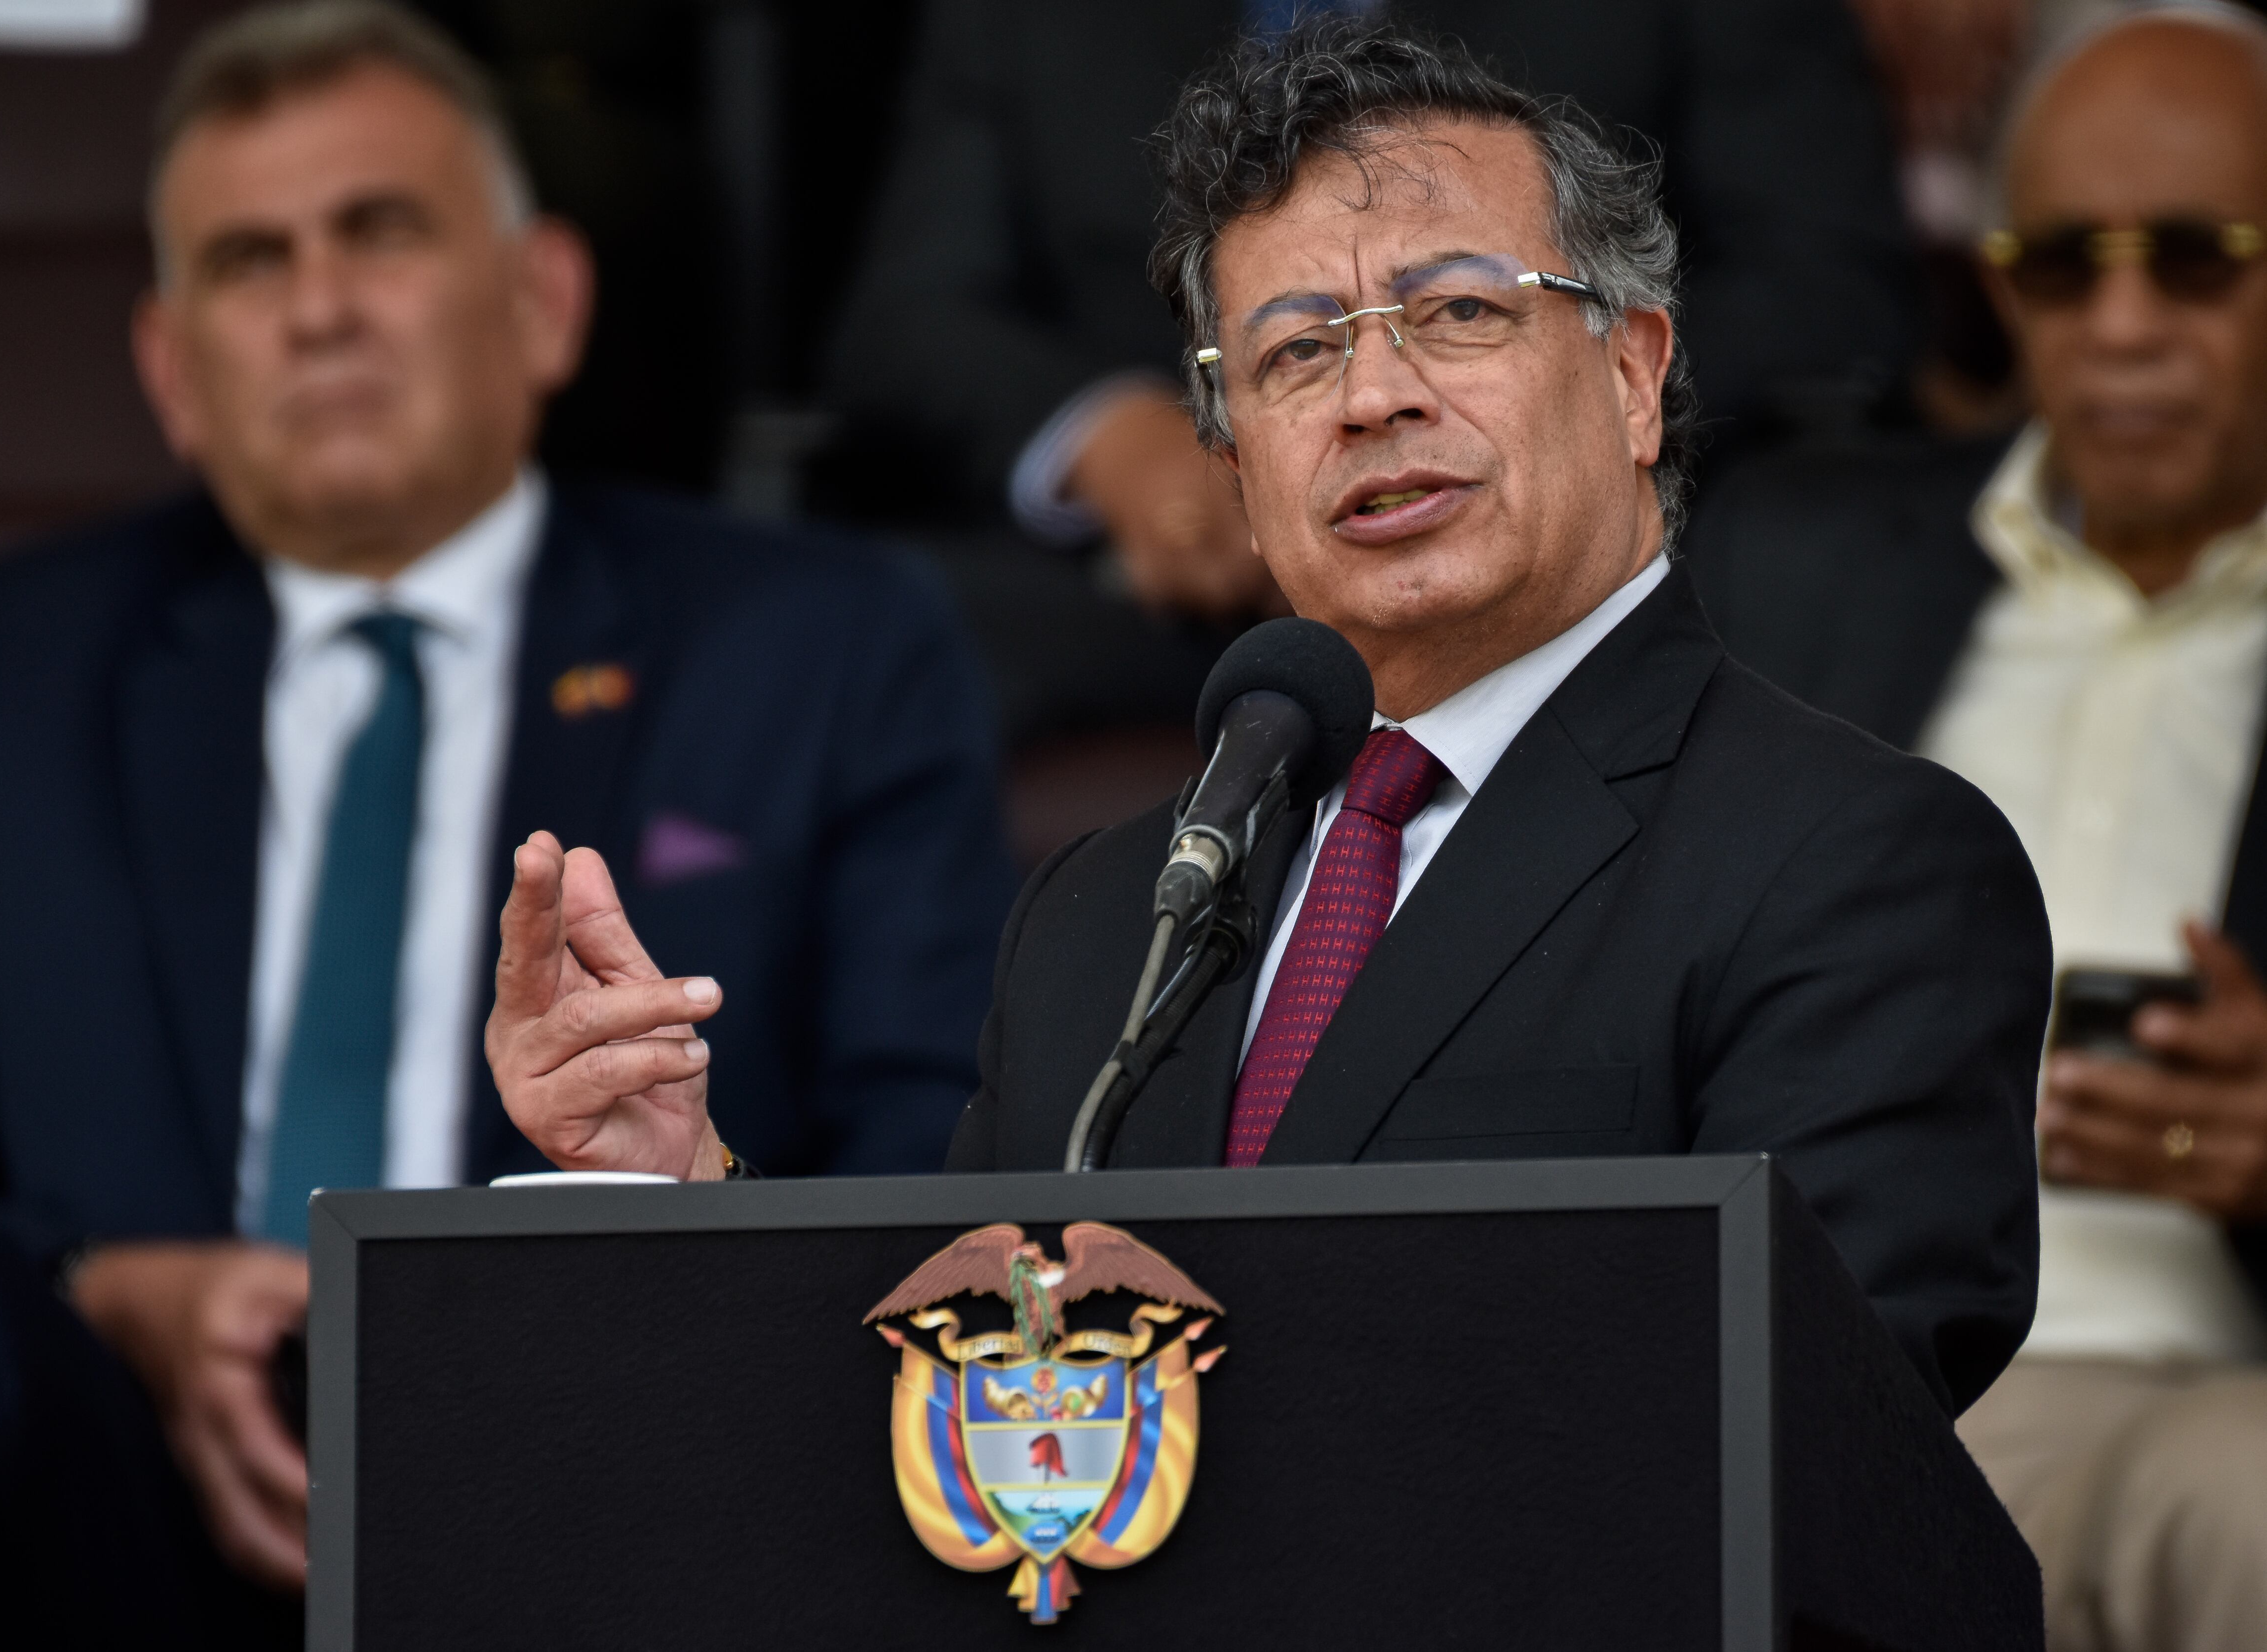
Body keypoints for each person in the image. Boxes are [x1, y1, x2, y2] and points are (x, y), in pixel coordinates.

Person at [486, 22, 2052, 1423]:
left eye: (1454, 314)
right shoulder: (1113, 910)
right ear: (1238, 468)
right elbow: (974, 1405)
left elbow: (1803, 1443)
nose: (1374, 396)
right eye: (1300, 350)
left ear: (1636, 376)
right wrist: (685, 1182)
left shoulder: (1859, 865)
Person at [0, 3, 1012, 1647]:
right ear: (172, 369)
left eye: (381, 231)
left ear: (545, 302)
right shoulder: (6, 666)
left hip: (629, 1485)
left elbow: (939, 1162)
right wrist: (116, 1295)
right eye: (247, 259)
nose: (318, 309)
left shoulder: (823, 642)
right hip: (135, 1495)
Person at [1689, 8, 2267, 1648]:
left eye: (2202, 258)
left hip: (2209, 1395)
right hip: (1813, 1365)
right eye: (2065, 264)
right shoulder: (1798, 565)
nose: (2127, 325)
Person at [814, 0, 1917, 743]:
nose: (1366, 395)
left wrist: (1506, 404)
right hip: (1142, 593)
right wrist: (1112, 440)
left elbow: (1827, 284)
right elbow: (907, 317)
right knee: (858, 642)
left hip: (1580, 564)